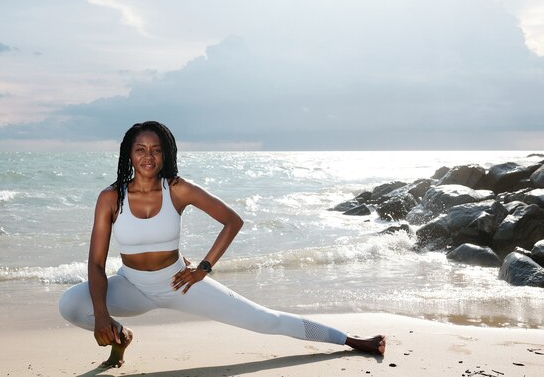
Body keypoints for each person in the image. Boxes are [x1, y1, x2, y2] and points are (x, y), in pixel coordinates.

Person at [59, 121, 386, 368]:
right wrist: (102, 316)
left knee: (264, 320)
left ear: (165, 153)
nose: (148, 156)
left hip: (179, 283)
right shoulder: (110, 197)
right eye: (140, 149)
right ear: (129, 154)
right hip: (131, 285)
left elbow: (232, 220)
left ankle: (351, 340)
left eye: (156, 149)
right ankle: (122, 335)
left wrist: (203, 268)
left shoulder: (178, 189)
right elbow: (96, 264)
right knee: (70, 305)